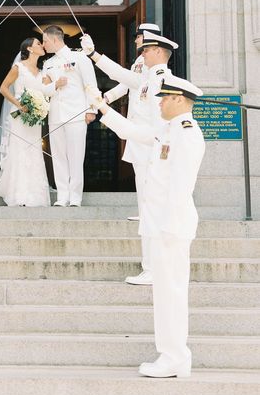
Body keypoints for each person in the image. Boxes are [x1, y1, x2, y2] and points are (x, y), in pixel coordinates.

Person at [87, 74, 205, 378]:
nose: (161, 103)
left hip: (171, 226)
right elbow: (133, 131)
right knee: (165, 294)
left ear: (179, 100)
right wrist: (102, 107)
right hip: (160, 226)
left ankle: (175, 356)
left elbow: (181, 185)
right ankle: (171, 355)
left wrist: (168, 226)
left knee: (172, 293)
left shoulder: (187, 133)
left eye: (165, 98)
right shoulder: (167, 129)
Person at [81, 30, 178, 285]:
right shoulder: (147, 78)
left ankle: (154, 268)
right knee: (148, 210)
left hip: (152, 149)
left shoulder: (159, 80)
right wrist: (94, 57)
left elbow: (159, 130)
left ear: (158, 52)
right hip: (142, 143)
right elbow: (123, 78)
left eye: (146, 49)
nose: (141, 52)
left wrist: (94, 56)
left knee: (152, 211)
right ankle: (152, 267)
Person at [0, 37, 67, 207]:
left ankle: (35, 195)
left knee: (34, 151)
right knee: (20, 150)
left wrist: (56, 84)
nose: (42, 46)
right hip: (19, 116)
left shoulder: (42, 71)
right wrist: (19, 104)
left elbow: (45, 91)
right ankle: (19, 194)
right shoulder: (19, 67)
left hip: (34, 118)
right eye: (38, 44)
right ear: (29, 49)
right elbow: (3, 88)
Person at [103, 22, 161, 221]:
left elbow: (132, 81)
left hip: (147, 123)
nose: (135, 39)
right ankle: (145, 211)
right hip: (135, 120)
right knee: (140, 169)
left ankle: (151, 211)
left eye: (138, 35)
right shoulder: (138, 60)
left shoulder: (154, 61)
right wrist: (107, 97)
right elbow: (126, 83)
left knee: (147, 169)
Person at [42, 25, 97, 207]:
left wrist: (91, 109)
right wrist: (55, 85)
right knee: (58, 156)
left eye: (45, 41)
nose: (43, 45)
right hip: (56, 114)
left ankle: (75, 197)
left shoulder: (79, 57)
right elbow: (43, 89)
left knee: (75, 156)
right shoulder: (47, 63)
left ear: (55, 39)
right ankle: (62, 196)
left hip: (76, 113)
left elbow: (90, 84)